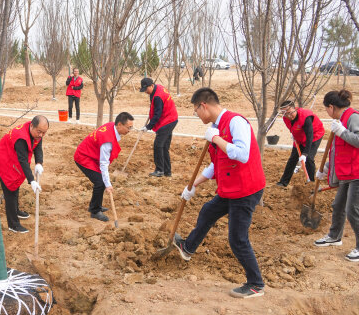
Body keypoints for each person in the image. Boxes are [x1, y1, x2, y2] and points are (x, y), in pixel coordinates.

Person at [172, 88, 266, 298]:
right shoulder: (216, 128)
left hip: (245, 189)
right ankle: (188, 248)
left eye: (196, 110)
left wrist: (216, 139)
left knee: (237, 239)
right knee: (208, 211)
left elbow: (242, 154)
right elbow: (217, 164)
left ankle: (256, 284)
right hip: (231, 188)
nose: (196, 115)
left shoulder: (235, 122)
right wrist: (193, 185)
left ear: (203, 106)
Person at [314, 90, 359, 262]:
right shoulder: (341, 120)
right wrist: (326, 168)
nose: (327, 112)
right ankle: (334, 236)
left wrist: (342, 132)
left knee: (353, 211)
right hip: (349, 172)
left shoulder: (353, 117)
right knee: (338, 205)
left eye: (326, 109)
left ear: (331, 107)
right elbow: (338, 151)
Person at [74, 112, 134, 222]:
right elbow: (104, 163)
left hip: (91, 154)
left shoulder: (112, 125)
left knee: (101, 180)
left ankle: (96, 205)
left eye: (131, 127)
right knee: (100, 182)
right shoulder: (107, 142)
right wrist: (108, 184)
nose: (129, 130)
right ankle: (95, 211)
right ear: (119, 124)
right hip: (83, 156)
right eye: (128, 127)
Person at [0, 116, 47, 233]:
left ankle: (16, 210)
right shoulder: (21, 138)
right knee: (10, 189)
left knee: (16, 184)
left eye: (44, 132)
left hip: (12, 155)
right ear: (32, 126)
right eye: (39, 132)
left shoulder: (36, 132)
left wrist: (39, 163)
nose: (41, 135)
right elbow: (22, 160)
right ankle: (13, 224)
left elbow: (38, 146)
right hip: (4, 158)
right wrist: (31, 180)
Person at [276, 100, 325, 187]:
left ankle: (311, 183)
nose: (289, 116)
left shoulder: (305, 117)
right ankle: (283, 182)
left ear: (295, 109)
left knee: (309, 159)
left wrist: (305, 154)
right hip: (299, 138)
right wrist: (293, 133)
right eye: (285, 114)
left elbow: (309, 136)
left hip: (314, 135)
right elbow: (293, 127)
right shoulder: (285, 118)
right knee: (293, 158)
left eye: (290, 113)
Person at [139, 77, 179, 177]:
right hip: (172, 118)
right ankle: (167, 171)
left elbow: (157, 114)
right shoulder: (158, 87)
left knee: (158, 145)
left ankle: (159, 170)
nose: (145, 92)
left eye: (146, 89)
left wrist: (148, 127)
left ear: (152, 85)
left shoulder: (158, 96)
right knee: (164, 147)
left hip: (167, 121)